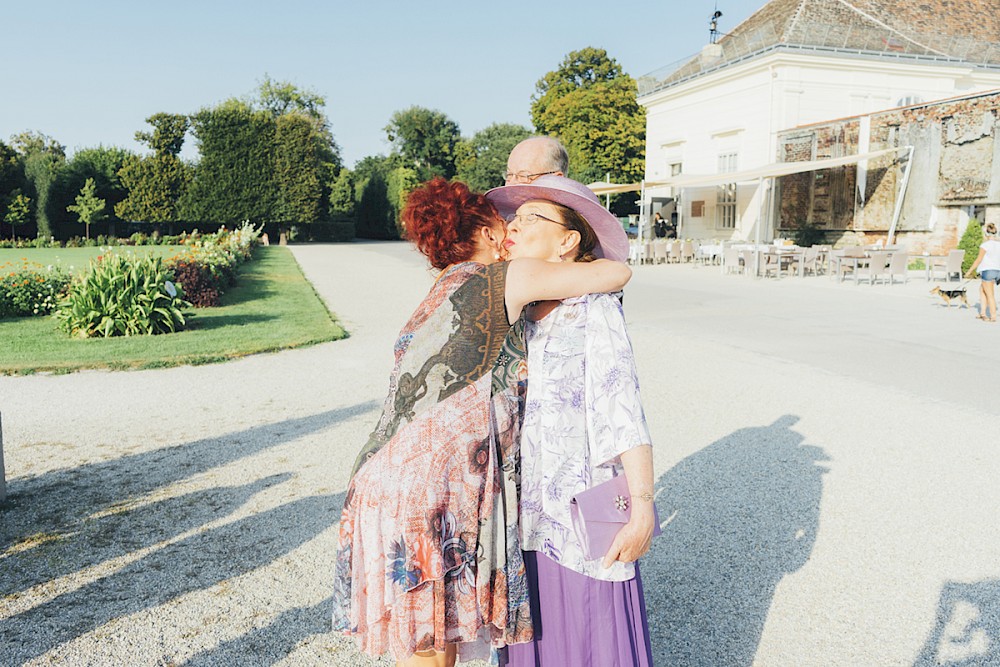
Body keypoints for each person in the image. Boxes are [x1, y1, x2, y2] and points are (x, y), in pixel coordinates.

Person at [331, 177, 632, 667]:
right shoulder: (507, 278)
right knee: (432, 651)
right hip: (432, 488)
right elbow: (615, 274)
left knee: (429, 644)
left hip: (384, 476)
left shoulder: (440, 289)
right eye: (503, 223)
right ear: (487, 234)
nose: (511, 230)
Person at [485, 175, 656, 667]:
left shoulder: (593, 307)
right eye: (513, 218)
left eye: (531, 217)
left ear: (568, 241)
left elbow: (622, 408)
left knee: (586, 641)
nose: (514, 226)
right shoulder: (510, 309)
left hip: (576, 516)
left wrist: (642, 507)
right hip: (518, 518)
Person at [964, 221, 1000, 322]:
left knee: (990, 295)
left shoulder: (985, 245)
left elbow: (978, 260)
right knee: (982, 290)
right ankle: (982, 313)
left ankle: (993, 317)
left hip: (988, 271)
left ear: (986, 234)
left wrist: (969, 271)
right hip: (997, 271)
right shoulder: (999, 245)